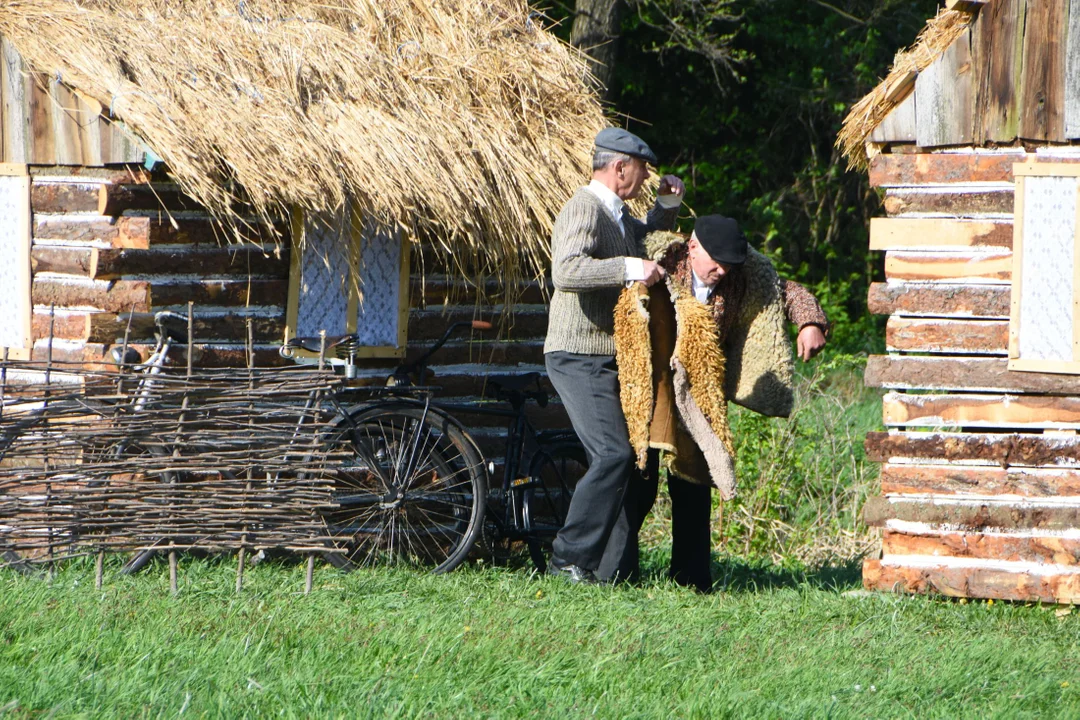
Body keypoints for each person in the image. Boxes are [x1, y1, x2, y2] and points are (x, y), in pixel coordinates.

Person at [601, 214, 828, 591]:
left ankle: (692, 583)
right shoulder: (661, 261)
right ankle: (616, 575)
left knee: (693, 486)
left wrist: (810, 323)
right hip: (652, 385)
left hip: (699, 392)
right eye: (716, 261)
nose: (722, 270)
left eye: (729, 264)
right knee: (638, 481)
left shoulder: (741, 275)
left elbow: (787, 290)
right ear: (692, 248)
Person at [543, 127, 686, 583]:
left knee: (638, 465)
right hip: (577, 352)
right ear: (619, 166)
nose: (645, 179)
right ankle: (568, 559)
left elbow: (643, 246)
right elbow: (567, 270)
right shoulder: (582, 207)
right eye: (643, 171)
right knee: (612, 455)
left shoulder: (619, 216)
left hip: (612, 354)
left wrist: (664, 209)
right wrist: (629, 269)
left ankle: (613, 573)